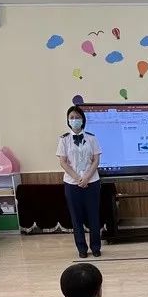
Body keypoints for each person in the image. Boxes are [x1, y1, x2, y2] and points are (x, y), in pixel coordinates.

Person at [56, 105, 104, 258]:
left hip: (92, 182)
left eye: (77, 117)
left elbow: (96, 160)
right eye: (72, 118)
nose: (75, 120)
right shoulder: (64, 140)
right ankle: (82, 249)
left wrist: (87, 177)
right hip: (72, 183)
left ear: (83, 120)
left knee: (93, 216)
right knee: (76, 218)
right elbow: (63, 162)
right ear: (68, 121)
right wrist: (78, 178)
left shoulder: (92, 138)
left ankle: (96, 247)